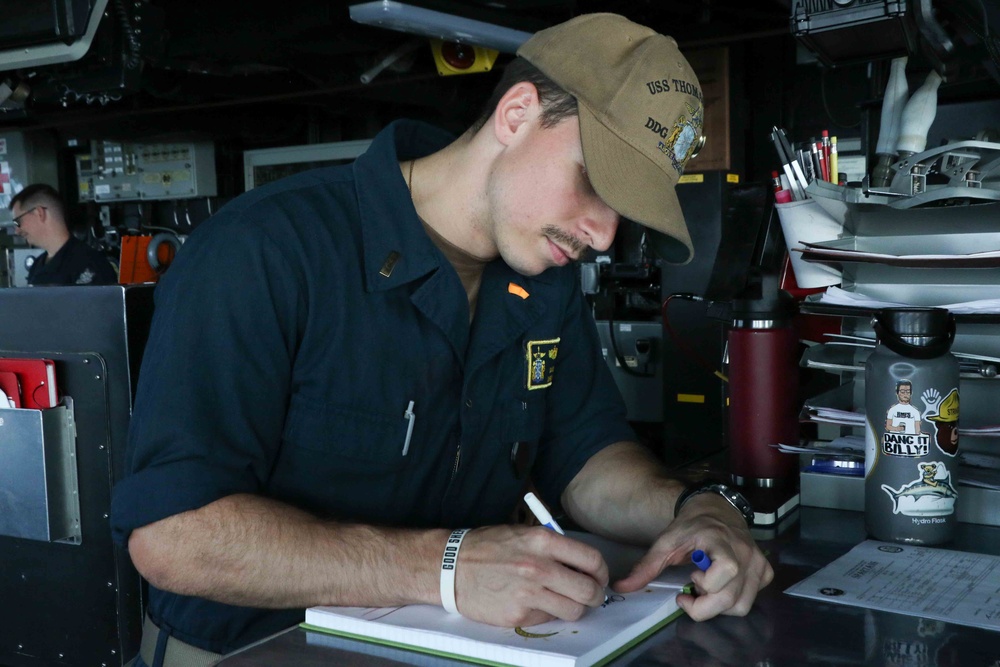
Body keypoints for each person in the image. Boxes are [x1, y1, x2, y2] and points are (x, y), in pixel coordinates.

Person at [111, 13, 773, 666]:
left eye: (622, 214)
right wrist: (446, 566)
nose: (602, 234)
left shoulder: (543, 282)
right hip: (245, 653)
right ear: (517, 114)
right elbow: (174, 537)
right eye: (594, 183)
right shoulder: (266, 250)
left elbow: (585, 452)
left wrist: (700, 510)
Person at [8, 183, 118, 286]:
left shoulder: (89, 264)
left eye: (18, 222)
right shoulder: (37, 266)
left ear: (39, 213)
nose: (17, 231)